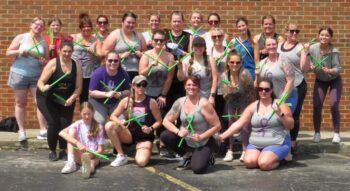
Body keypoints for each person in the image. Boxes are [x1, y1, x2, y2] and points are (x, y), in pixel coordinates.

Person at [218, 79, 294, 171]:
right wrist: (222, 136)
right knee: (249, 162)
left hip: (277, 143)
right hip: (256, 144)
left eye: (266, 89)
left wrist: (280, 113)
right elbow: (239, 123)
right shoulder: (253, 106)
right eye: (260, 89)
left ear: (271, 90)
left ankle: (282, 159)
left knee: (264, 164)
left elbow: (291, 125)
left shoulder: (280, 104)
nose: (263, 91)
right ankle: (264, 156)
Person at [161, 76, 221, 174]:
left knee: (198, 169)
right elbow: (165, 121)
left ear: (198, 87)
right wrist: (178, 132)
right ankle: (187, 154)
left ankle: (208, 157)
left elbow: (217, 125)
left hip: (203, 142)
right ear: (184, 87)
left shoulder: (204, 104)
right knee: (165, 135)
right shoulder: (180, 102)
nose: (191, 87)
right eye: (188, 85)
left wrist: (201, 137)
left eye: (194, 85)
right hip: (187, 141)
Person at [36, 41, 83, 161]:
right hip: (47, 97)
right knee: (53, 123)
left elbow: (78, 88)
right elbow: (40, 82)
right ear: (59, 51)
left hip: (66, 99)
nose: (67, 54)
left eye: (69, 51)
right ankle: (52, 150)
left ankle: (63, 149)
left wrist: (72, 99)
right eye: (64, 51)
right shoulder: (53, 63)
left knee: (65, 124)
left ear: (72, 52)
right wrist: (43, 87)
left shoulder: (76, 66)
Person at [6, 17, 49, 142]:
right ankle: (21, 130)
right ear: (31, 25)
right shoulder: (21, 37)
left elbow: (46, 60)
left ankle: (43, 130)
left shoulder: (43, 42)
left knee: (39, 102)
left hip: (36, 75)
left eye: (41, 25)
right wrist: (19, 51)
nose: (39, 27)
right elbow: (8, 52)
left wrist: (43, 61)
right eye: (36, 24)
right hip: (19, 74)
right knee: (21, 102)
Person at [105, 75, 162, 167]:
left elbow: (159, 121)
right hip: (129, 135)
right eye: (139, 85)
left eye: (144, 84)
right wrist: (120, 122)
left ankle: (138, 150)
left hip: (145, 137)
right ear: (133, 86)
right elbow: (113, 116)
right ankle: (121, 155)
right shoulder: (126, 101)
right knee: (109, 125)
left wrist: (150, 128)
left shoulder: (151, 102)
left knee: (141, 162)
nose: (141, 87)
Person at [277, 23, 310, 153]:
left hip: (297, 86)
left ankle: (292, 143)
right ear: (286, 32)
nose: (294, 33)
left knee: (294, 114)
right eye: (291, 31)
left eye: (297, 31)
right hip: (282, 86)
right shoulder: (279, 46)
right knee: (281, 112)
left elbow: (304, 68)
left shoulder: (301, 47)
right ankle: (281, 141)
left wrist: (306, 53)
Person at [309, 26, 342, 144]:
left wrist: (330, 70)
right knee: (317, 105)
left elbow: (338, 68)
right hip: (320, 80)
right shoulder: (312, 48)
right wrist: (310, 67)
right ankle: (317, 133)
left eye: (327, 35)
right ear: (318, 36)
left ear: (331, 38)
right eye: (322, 35)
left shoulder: (334, 51)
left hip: (334, 80)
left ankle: (337, 134)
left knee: (333, 104)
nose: (324, 37)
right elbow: (305, 59)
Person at [221, 50, 254, 162]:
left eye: (238, 62)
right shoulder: (224, 75)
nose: (235, 65)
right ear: (228, 63)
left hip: (245, 100)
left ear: (241, 63)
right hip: (231, 101)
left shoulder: (245, 74)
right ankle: (229, 150)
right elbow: (224, 96)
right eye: (232, 62)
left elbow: (251, 92)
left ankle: (245, 150)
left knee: (245, 125)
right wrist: (230, 91)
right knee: (231, 123)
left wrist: (249, 109)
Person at [59, 102, 105, 178]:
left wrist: (93, 153)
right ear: (80, 113)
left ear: (93, 112)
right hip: (80, 154)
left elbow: (100, 149)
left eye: (89, 114)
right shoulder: (78, 124)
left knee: (91, 163)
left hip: (93, 156)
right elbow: (61, 133)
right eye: (84, 114)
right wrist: (77, 143)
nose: (87, 116)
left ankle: (87, 170)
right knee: (71, 132)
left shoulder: (98, 126)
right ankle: (71, 162)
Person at [89, 51, 131, 125]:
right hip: (99, 102)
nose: (113, 63)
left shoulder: (123, 73)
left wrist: (120, 93)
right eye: (110, 60)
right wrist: (106, 94)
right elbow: (91, 92)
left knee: (120, 122)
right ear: (106, 61)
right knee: (99, 122)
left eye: (115, 61)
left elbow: (129, 91)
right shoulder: (98, 73)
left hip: (116, 102)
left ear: (119, 61)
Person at [102, 12, 147, 80]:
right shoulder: (115, 34)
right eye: (128, 22)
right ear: (122, 22)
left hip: (137, 72)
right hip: (119, 70)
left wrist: (141, 55)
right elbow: (104, 52)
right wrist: (119, 56)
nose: (131, 25)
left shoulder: (139, 36)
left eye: (133, 23)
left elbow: (146, 54)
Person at [177, 36, 217, 104]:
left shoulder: (210, 59)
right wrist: (180, 68)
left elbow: (215, 79)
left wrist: (212, 96)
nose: (198, 47)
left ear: (204, 48)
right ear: (192, 48)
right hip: (190, 98)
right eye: (196, 45)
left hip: (206, 98)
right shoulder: (186, 60)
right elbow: (181, 79)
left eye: (201, 45)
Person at [71, 13, 99, 104]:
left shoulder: (96, 40)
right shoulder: (73, 37)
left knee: (86, 101)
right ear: (80, 28)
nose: (86, 28)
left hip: (88, 75)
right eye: (84, 27)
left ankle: (85, 118)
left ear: (91, 28)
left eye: (88, 27)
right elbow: (63, 51)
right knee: (71, 99)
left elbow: (100, 57)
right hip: (74, 73)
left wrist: (94, 52)